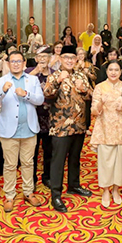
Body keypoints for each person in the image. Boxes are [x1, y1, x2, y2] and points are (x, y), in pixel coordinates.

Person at [0, 51, 45, 212]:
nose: (15, 64)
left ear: (24, 63)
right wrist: (3, 91)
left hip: (29, 128)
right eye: (12, 61)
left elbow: (40, 100)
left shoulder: (33, 80)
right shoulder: (1, 81)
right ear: (8, 64)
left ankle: (28, 192)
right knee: (10, 165)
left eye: (18, 61)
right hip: (9, 130)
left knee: (28, 163)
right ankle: (9, 195)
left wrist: (26, 94)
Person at [43, 46, 93, 212]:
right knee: (58, 161)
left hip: (79, 125)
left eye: (72, 58)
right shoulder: (54, 76)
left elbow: (92, 96)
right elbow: (47, 94)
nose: (70, 61)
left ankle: (74, 185)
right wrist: (58, 81)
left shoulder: (81, 76)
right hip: (61, 127)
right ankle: (56, 195)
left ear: (76, 59)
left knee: (75, 158)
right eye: (66, 57)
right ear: (60, 59)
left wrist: (84, 88)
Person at [90, 60, 122, 208]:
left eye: (116, 70)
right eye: (111, 70)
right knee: (106, 162)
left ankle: (116, 189)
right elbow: (94, 111)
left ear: (121, 72)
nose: (113, 72)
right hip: (105, 129)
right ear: (106, 71)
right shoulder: (99, 87)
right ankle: (105, 190)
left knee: (121, 162)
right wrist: (100, 103)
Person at [26, 47, 54, 188]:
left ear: (50, 59)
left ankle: (47, 177)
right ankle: (31, 179)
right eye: (40, 56)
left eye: (45, 56)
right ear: (36, 59)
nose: (42, 59)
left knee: (49, 151)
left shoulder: (54, 73)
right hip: (33, 117)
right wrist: (36, 71)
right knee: (32, 151)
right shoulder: (28, 72)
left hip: (50, 118)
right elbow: (21, 85)